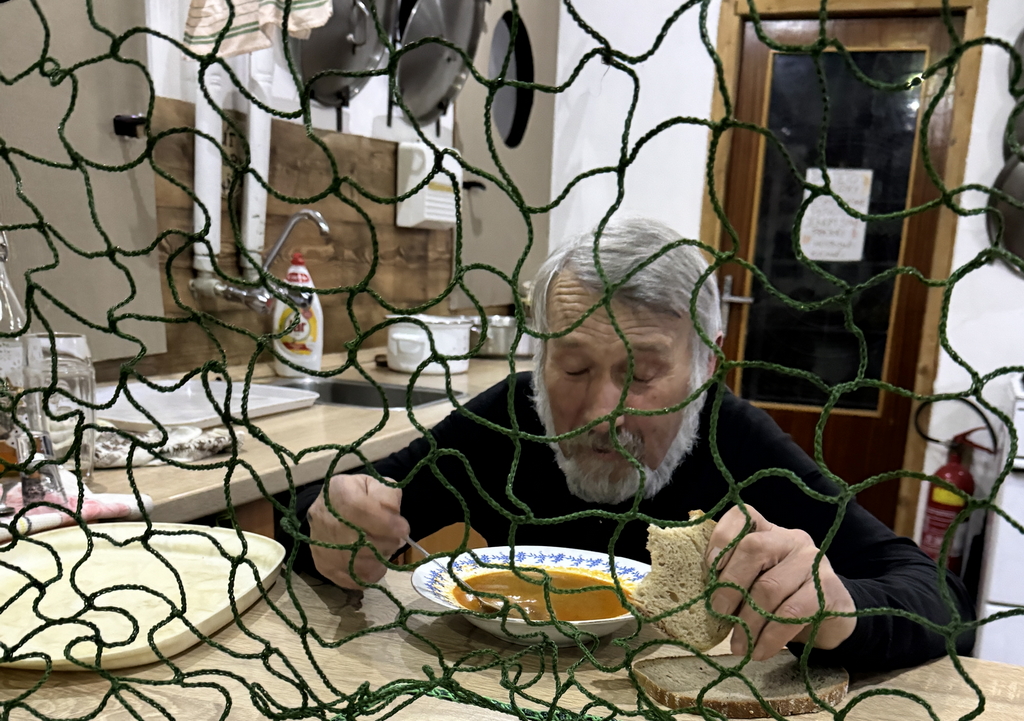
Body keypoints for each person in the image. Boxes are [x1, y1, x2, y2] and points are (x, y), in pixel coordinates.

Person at [291, 217, 974, 673]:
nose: (601, 412)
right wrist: (334, 522)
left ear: (704, 365)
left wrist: (837, 608)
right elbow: (324, 517)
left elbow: (940, 599)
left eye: (642, 374)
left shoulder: (736, 442)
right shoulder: (509, 418)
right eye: (573, 368)